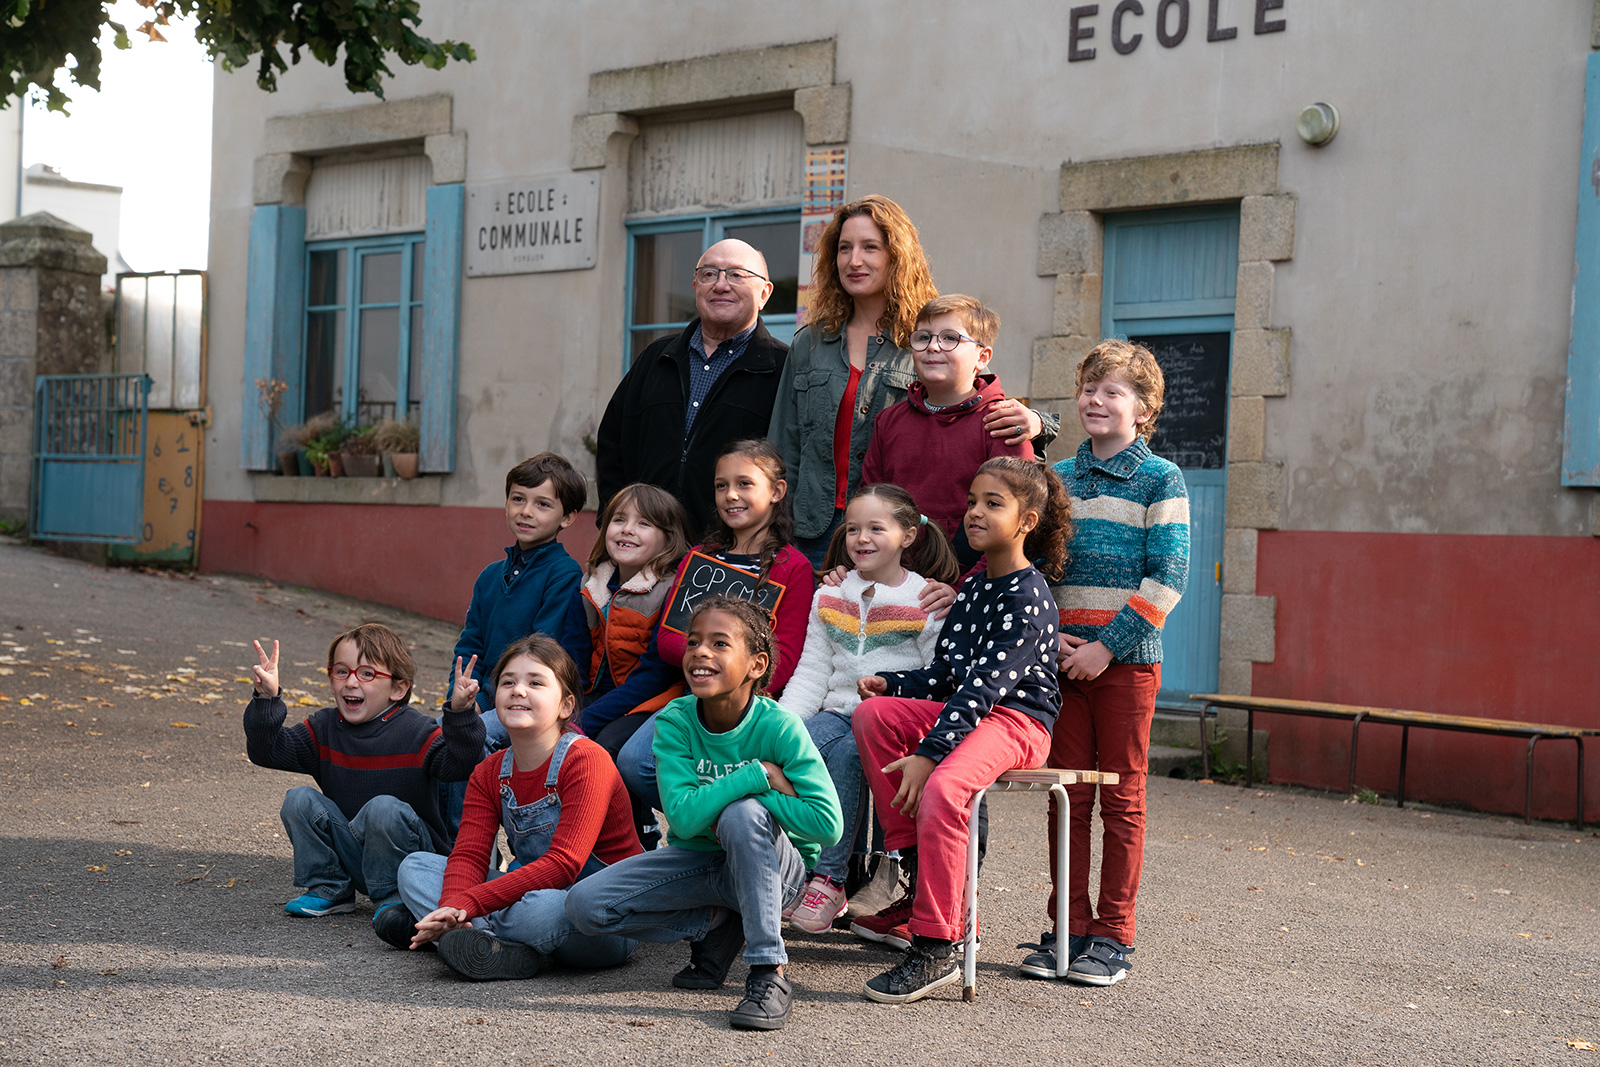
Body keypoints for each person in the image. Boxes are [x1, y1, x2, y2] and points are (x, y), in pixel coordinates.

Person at [564, 598, 843, 1031]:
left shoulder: (780, 726)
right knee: (585, 907)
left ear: (755, 665)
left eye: (719, 643)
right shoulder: (675, 720)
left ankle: (768, 973)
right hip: (699, 862)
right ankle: (715, 920)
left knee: (740, 815)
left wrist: (744, 798)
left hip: (779, 874)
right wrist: (758, 775)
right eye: (694, 642)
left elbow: (827, 826)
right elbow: (686, 819)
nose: (700, 653)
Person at [851, 457, 1071, 1004]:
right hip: (969, 711)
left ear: (1027, 520)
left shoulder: (1029, 595)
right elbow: (948, 677)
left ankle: (938, 946)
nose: (975, 512)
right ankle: (920, 872)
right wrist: (892, 683)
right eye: (973, 500)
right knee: (873, 715)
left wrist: (930, 752)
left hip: (1018, 721)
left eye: (993, 503)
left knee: (947, 788)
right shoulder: (973, 590)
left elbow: (983, 691)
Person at [1022, 338, 1189, 987]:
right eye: (1090, 387)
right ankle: (1068, 924)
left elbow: (1167, 575)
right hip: (1061, 662)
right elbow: (1036, 566)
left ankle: (1113, 934)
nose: (1096, 399)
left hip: (1124, 665)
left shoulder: (1160, 478)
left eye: (1113, 390)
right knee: (1068, 797)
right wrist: (1055, 639)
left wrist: (1104, 646)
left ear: (1143, 408)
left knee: (1121, 798)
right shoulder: (1057, 477)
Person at [769, 195, 1055, 569]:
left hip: (896, 538)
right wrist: (773, 529)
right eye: (844, 248)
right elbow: (782, 447)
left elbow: (976, 403)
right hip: (807, 531)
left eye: (870, 247)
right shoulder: (809, 342)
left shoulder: (926, 338)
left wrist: (1039, 423)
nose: (854, 260)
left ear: (897, 256)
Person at [381, 636, 642, 980]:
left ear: (565, 705)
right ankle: (492, 947)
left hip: (603, 916)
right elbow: (469, 857)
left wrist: (468, 905)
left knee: (544, 910)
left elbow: (564, 865)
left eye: (535, 682)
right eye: (508, 682)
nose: (518, 690)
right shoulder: (489, 771)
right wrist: (452, 903)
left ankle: (461, 934)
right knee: (416, 868)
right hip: (530, 894)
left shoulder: (587, 760)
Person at [596, 440, 816, 845]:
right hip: (688, 700)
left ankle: (744, 830)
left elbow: (782, 661)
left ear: (777, 492)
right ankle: (717, 831)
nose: (730, 495)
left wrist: (710, 662)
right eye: (721, 485)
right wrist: (716, 661)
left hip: (746, 710)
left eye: (745, 484)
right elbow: (666, 640)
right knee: (632, 762)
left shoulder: (794, 568)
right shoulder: (701, 556)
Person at [778, 483, 959, 932]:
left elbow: (938, 678)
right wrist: (781, 727)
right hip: (831, 712)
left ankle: (830, 879)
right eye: (853, 528)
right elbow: (813, 671)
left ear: (909, 536)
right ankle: (783, 871)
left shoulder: (926, 601)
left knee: (845, 754)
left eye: (877, 528)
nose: (862, 538)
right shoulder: (830, 595)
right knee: (786, 754)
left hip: (889, 724)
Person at [242, 623, 483, 932]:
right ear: (331, 681)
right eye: (341, 672)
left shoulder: (417, 731)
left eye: (367, 674)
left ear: (398, 688)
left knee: (382, 808)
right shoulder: (325, 727)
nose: (351, 682)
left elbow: (463, 766)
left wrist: (461, 717)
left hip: (412, 859)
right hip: (356, 850)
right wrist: (267, 699)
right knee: (298, 799)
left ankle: (394, 897)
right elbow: (268, 752)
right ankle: (330, 887)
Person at [596, 238, 788, 539]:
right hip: (647, 546)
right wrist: (617, 522)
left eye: (737, 275)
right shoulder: (657, 357)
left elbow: (791, 464)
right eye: (709, 274)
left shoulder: (783, 368)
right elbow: (613, 445)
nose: (720, 285)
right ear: (696, 287)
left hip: (729, 557)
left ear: (764, 293)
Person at [858, 295, 1037, 567]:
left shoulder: (1001, 422)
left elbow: (1013, 527)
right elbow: (870, 506)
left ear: (982, 357)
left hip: (969, 585)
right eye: (923, 337)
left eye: (950, 338)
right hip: (894, 578)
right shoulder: (888, 421)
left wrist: (963, 588)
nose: (933, 347)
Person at [562, 482, 692, 845]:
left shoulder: (669, 589)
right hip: (596, 690)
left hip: (651, 698)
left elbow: (655, 674)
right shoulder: (592, 584)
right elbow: (573, 652)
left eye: (643, 523)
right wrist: (566, 703)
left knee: (607, 744)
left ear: (669, 538)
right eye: (619, 519)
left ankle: (638, 832)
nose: (627, 529)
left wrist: (587, 718)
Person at [452, 452, 587, 750]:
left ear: (567, 517)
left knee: (469, 738)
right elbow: (469, 645)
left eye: (542, 504)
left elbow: (541, 651)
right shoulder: (489, 576)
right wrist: (459, 696)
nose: (526, 511)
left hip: (525, 699)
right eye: (517, 499)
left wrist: (484, 703)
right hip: (479, 698)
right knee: (433, 734)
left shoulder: (563, 574)